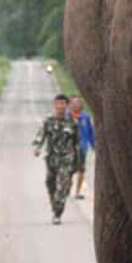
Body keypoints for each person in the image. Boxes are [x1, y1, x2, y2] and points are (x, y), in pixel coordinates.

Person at [33, 94, 80, 224]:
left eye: (63, 103)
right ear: (54, 105)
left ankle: (57, 213)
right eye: (58, 103)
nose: (60, 106)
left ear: (67, 105)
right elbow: (40, 135)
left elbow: (77, 142)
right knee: (50, 184)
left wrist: (78, 162)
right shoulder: (48, 121)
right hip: (51, 160)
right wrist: (37, 147)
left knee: (62, 186)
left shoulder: (73, 122)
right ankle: (55, 204)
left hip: (66, 159)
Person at [69, 97, 96, 200]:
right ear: (71, 104)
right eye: (74, 103)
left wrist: (94, 145)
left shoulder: (86, 117)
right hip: (69, 149)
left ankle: (77, 192)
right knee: (69, 170)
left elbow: (91, 133)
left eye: (78, 103)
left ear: (81, 105)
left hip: (82, 148)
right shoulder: (67, 117)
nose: (76, 105)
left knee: (81, 170)